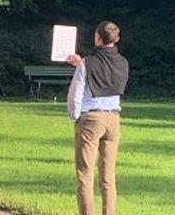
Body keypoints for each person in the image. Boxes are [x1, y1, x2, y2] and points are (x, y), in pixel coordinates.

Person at [65, 20, 129, 215]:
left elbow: (75, 93)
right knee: (108, 177)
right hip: (113, 119)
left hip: (91, 119)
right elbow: (105, 74)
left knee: (85, 175)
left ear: (98, 38)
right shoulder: (122, 62)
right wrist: (81, 63)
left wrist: (75, 117)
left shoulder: (87, 63)